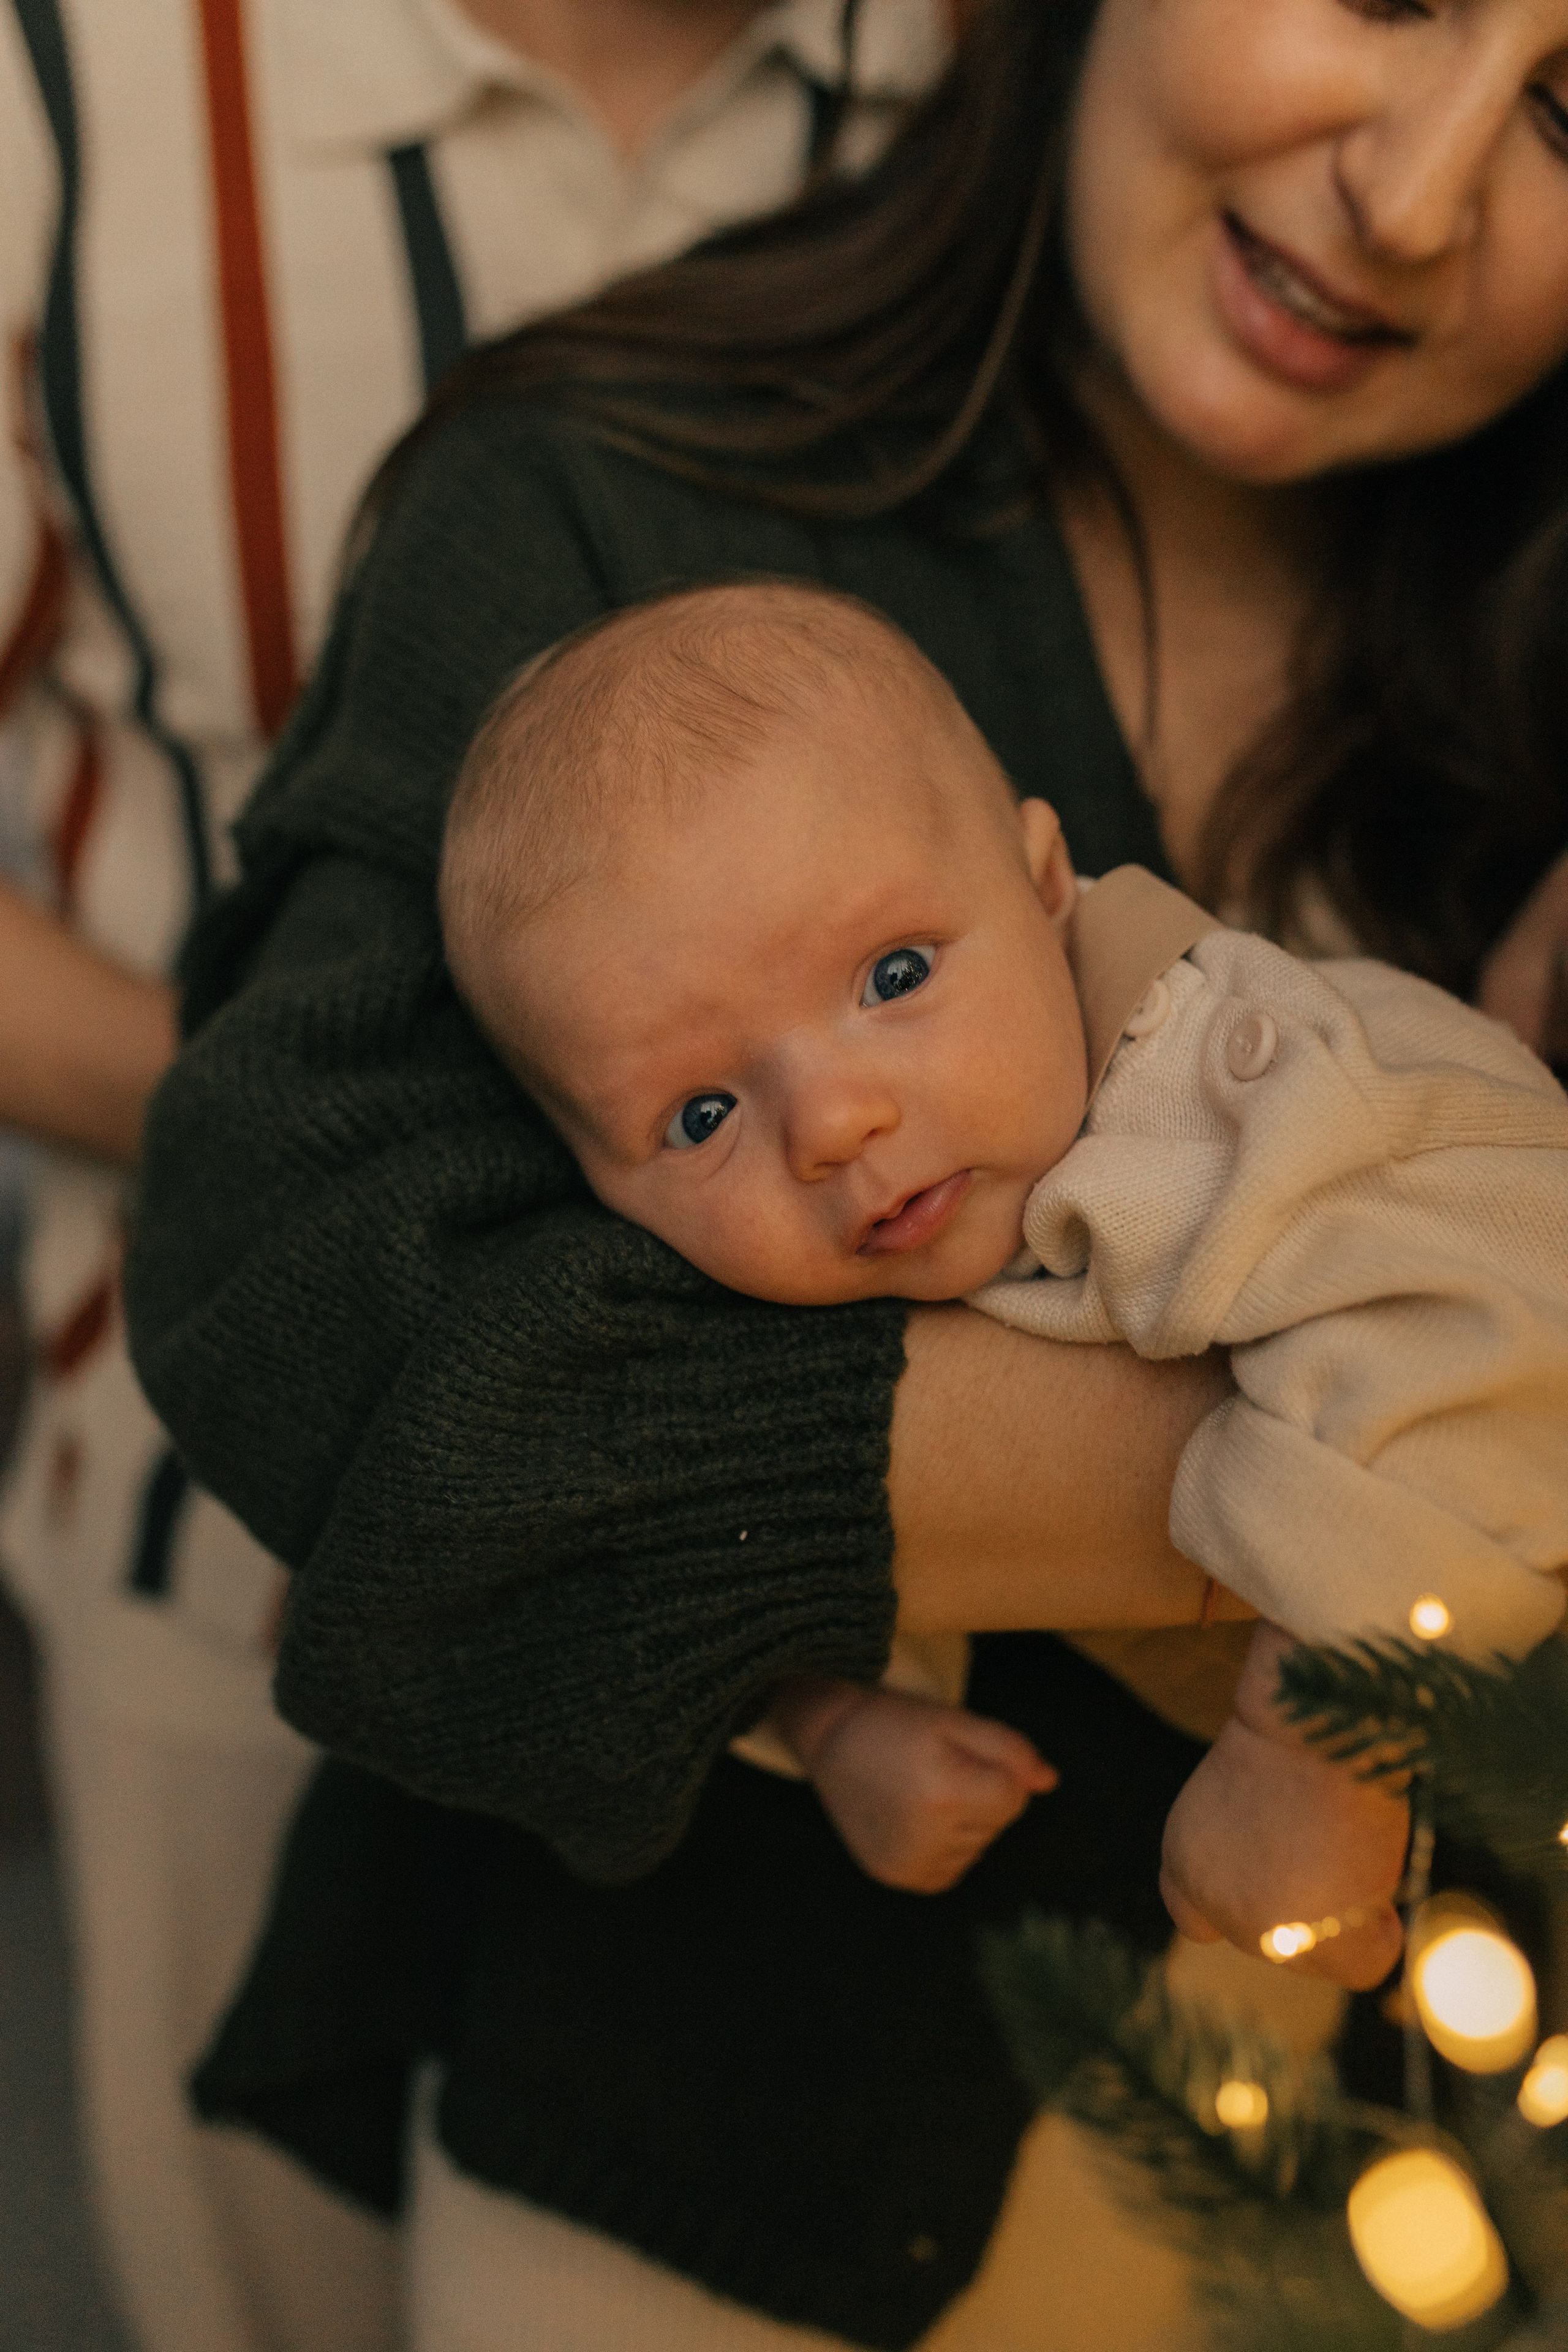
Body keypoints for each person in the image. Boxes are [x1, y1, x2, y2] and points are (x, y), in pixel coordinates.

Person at [124, 0, 1568, 2345]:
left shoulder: (1508, 678)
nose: (1412, 195)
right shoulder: (604, 506)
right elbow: (329, 1323)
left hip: (1370, 2194)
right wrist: (1421, 1425)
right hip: (702, 2159)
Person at [0, 2, 943, 2347]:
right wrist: (379, 1174)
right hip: (206, 1511)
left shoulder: (994, 65)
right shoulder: (62, 92)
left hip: (887, 1546)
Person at [437, 577, 1567, 1936]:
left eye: (894, 977)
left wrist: (1314, 1754)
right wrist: (841, 1717)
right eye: (698, 1114)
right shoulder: (808, 1254)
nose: (830, 1123)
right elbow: (797, 1528)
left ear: (1043, 890)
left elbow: (1505, 1326)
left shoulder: (1254, 1084)